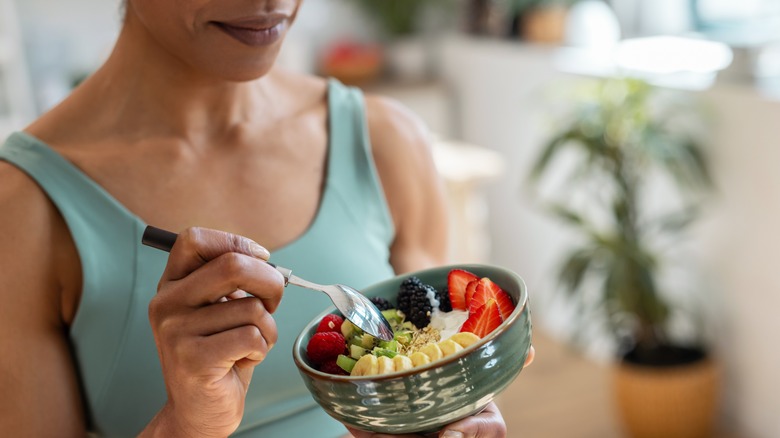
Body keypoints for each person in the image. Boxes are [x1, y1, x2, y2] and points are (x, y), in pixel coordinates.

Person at [0, 0, 534, 436]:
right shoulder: (22, 207)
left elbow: (433, 372)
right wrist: (184, 426)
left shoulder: (387, 141)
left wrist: (449, 418)